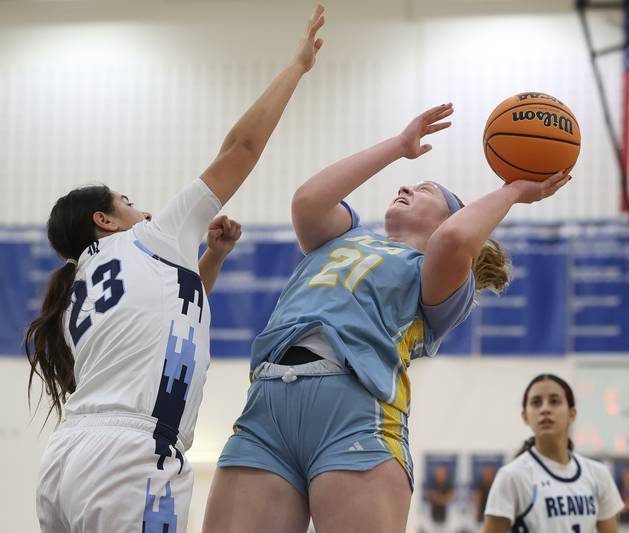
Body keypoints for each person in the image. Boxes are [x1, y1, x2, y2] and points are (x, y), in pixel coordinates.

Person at [201, 103, 572, 532]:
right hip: (266, 406)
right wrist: (398, 146)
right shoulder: (345, 236)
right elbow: (309, 198)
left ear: (447, 218)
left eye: (426, 189)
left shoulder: (440, 275)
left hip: (355, 413)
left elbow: (453, 240)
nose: (406, 187)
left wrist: (514, 190)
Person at [27, 5, 326, 532]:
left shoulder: (75, 288)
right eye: (127, 200)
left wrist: (209, 259)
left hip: (66, 460)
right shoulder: (151, 236)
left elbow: (173, 314)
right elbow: (243, 147)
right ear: (105, 220)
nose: (142, 207)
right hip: (130, 459)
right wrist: (298, 67)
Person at [482, 374, 623, 533]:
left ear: (572, 414)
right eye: (536, 403)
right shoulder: (512, 476)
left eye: (554, 401)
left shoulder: (598, 475)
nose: (545, 409)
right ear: (525, 416)